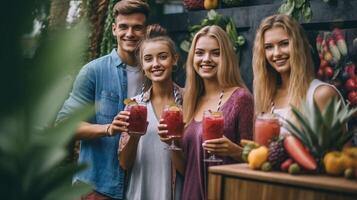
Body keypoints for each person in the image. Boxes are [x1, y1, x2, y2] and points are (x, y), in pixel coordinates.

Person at [55, 0, 150, 199]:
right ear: (114, 29)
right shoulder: (93, 71)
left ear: (146, 31)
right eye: (123, 27)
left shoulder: (154, 73)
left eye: (137, 27)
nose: (130, 33)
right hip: (98, 187)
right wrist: (108, 129)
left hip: (142, 185)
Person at [160, 25, 254, 200]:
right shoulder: (190, 100)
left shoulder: (241, 98)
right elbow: (186, 168)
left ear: (226, 57)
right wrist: (171, 142)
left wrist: (234, 151)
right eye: (200, 52)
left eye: (216, 53)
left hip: (226, 192)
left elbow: (256, 160)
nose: (206, 59)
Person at [116, 24, 183, 200]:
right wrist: (135, 136)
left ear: (174, 59)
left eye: (162, 57)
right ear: (142, 64)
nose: (156, 64)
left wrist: (173, 143)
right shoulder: (134, 105)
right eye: (148, 59)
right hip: (139, 193)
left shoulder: (188, 102)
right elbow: (124, 163)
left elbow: (189, 167)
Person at [252, 14, 343, 135]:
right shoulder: (266, 96)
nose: (276, 53)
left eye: (284, 43)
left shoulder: (322, 94)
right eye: (269, 47)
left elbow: (342, 153)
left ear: (299, 46)